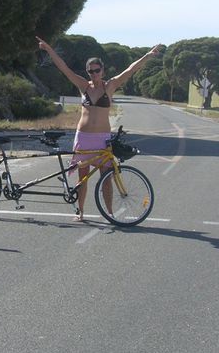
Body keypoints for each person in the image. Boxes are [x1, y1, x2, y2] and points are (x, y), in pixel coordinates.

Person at [36, 37, 165, 221]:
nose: (93, 74)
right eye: (90, 71)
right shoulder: (83, 86)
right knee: (83, 176)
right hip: (84, 137)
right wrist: (49, 49)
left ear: (102, 70)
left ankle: (109, 212)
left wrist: (148, 55)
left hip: (102, 138)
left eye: (97, 70)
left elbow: (130, 70)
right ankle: (80, 212)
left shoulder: (110, 85)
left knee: (106, 176)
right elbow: (64, 68)